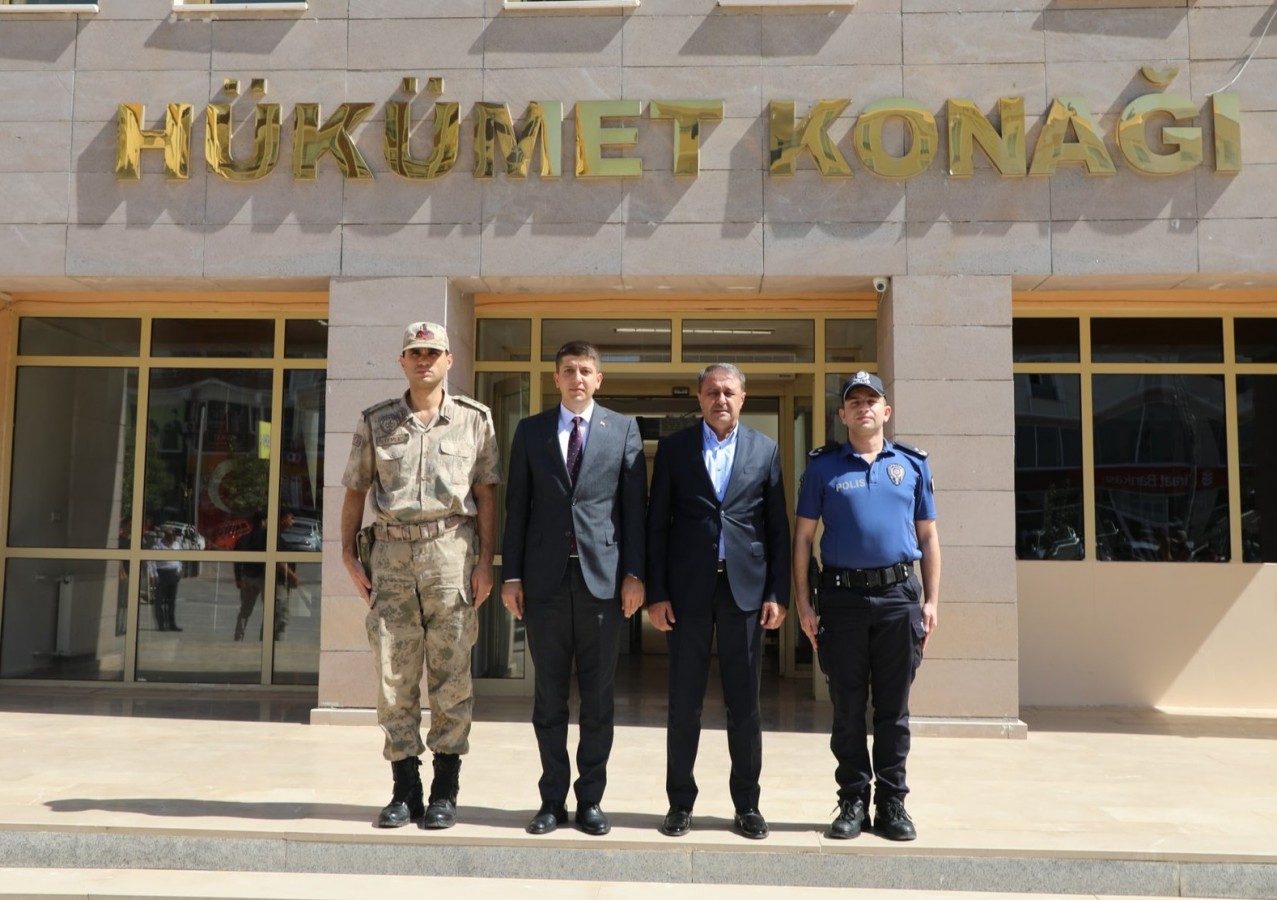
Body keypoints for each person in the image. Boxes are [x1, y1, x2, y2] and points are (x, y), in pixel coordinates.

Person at [340, 321, 500, 831]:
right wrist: (346, 553)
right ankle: (404, 789)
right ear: (402, 360)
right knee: (394, 676)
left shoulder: (475, 420)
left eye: (433, 352)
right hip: (389, 558)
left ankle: (445, 791)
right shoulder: (378, 421)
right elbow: (354, 489)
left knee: (452, 677)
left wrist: (485, 560)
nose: (424, 360)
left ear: (449, 360)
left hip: (452, 554)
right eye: (415, 352)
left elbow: (488, 494)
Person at [501, 340, 647, 837]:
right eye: (569, 370)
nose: (577, 378)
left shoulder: (623, 430)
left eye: (586, 370)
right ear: (556, 378)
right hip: (542, 583)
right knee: (549, 698)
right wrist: (512, 575)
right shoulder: (531, 430)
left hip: (602, 583)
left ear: (599, 379)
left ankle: (590, 800)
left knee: (599, 698)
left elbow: (634, 511)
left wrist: (635, 574)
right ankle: (550, 800)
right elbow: (516, 506)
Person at [792, 371, 940, 842]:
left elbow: (929, 537)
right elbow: (802, 540)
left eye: (871, 400)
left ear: (886, 411)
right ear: (842, 415)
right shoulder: (823, 468)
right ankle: (853, 797)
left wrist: (932, 600)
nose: (863, 408)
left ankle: (893, 801)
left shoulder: (912, 464)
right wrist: (803, 604)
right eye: (853, 402)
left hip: (899, 598)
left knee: (893, 709)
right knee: (848, 706)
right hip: (841, 601)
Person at [646, 362, 790, 840]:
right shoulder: (674, 449)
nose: (720, 399)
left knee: (744, 704)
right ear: (700, 397)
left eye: (728, 392)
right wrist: (657, 592)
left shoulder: (765, 451)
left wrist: (777, 592)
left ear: (743, 398)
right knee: (683, 702)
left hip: (744, 592)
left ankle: (747, 805)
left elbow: (777, 530)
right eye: (711, 392)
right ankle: (679, 803)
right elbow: (656, 526)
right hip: (686, 593)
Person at [233, 508, 300, 642]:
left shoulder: (244, 539)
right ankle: (265, 641)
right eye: (290, 518)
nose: (293, 522)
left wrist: (239, 578)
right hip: (266, 578)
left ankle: (238, 638)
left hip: (248, 577)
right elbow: (278, 562)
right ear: (265, 521)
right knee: (272, 613)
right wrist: (293, 577)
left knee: (245, 611)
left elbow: (237, 559)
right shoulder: (268, 537)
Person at [151, 526, 184, 632]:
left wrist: (179, 570)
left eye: (174, 535)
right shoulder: (158, 546)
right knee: (159, 601)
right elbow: (151, 562)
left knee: (171, 601)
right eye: (171, 535)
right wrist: (153, 575)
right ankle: (161, 624)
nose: (173, 537)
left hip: (173, 574)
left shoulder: (177, 545)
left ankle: (171, 624)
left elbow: (179, 560)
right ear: (165, 535)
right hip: (162, 574)